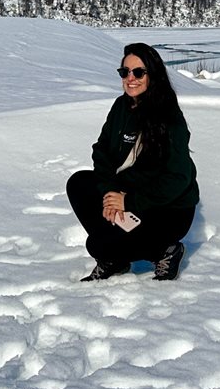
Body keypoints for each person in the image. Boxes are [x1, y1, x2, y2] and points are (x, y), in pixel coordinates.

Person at [66, 42, 199, 282]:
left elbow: (178, 179)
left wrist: (128, 201)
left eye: (138, 72)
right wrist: (109, 195)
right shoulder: (121, 106)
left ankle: (165, 251)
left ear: (153, 75)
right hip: (128, 193)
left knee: (96, 245)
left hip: (167, 210)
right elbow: (102, 151)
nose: (130, 78)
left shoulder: (169, 118)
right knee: (79, 183)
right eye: (124, 72)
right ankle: (115, 258)